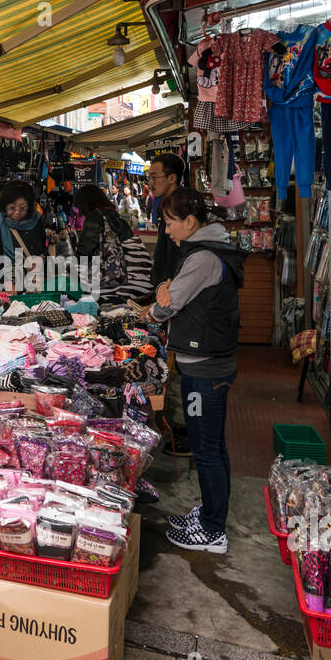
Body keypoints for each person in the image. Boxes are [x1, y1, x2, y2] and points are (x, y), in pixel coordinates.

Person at [145, 188, 245, 553]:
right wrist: (163, 291)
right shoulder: (205, 251)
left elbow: (168, 305)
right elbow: (169, 292)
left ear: (190, 221)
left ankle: (213, 529)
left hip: (205, 370)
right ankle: (210, 512)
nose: (168, 230)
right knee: (212, 446)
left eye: (170, 223)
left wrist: (159, 302)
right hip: (206, 365)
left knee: (206, 448)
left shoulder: (202, 258)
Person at [148, 153, 190, 456]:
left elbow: (178, 262)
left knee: (178, 369)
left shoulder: (182, 209)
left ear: (172, 178)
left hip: (177, 301)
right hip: (168, 294)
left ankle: (183, 434)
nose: (150, 182)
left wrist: (166, 292)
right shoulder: (166, 208)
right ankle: (178, 430)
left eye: (155, 176)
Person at [74, 183, 146, 304]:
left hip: (103, 287)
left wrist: (66, 267)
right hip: (126, 286)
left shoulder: (95, 217)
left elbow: (85, 251)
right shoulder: (117, 217)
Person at [0, 179, 48, 293]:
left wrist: (41, 258)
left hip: (34, 286)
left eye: (22, 208)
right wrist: (4, 283)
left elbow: (44, 249)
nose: (17, 212)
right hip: (7, 287)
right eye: (12, 208)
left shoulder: (36, 221)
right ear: (4, 205)